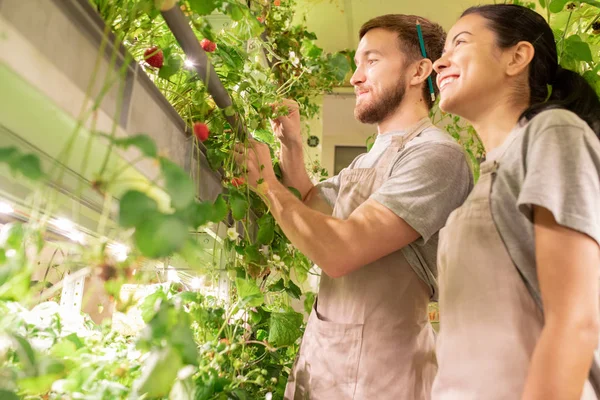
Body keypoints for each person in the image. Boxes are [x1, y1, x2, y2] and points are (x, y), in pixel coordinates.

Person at [235, 14, 473, 399]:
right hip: (327, 359)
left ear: (419, 71)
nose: (355, 77)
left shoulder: (436, 155)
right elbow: (316, 208)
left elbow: (340, 250)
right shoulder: (366, 161)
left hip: (381, 373)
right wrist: (291, 149)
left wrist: (266, 184)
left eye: (372, 61)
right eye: (357, 64)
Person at [431, 4, 600, 399]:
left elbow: (574, 320)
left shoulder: (554, 132)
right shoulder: (486, 178)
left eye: (460, 42)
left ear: (517, 57)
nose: (440, 62)